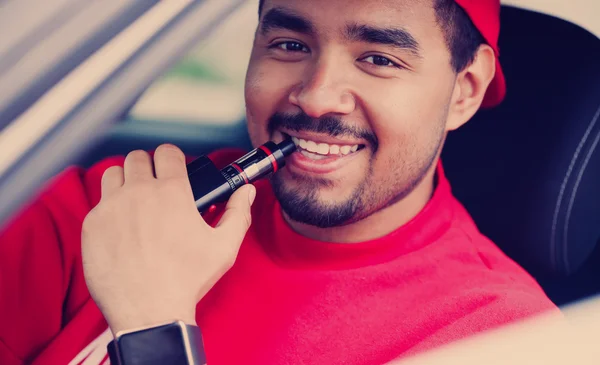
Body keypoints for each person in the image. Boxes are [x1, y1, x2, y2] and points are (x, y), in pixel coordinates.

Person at [0, 0, 559, 364]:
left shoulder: (499, 338)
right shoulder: (119, 206)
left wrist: (153, 328)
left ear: (464, 90)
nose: (315, 96)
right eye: (290, 45)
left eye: (379, 59)